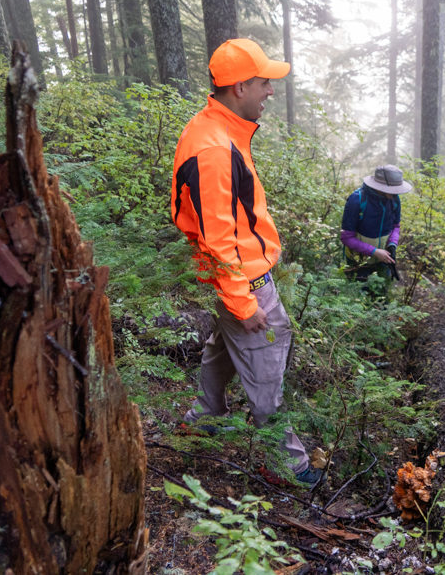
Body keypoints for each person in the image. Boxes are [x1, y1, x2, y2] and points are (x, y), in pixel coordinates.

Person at [171, 38, 321, 487]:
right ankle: (287, 466)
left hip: (239, 277)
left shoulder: (219, 129)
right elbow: (219, 240)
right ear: (238, 88)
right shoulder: (215, 149)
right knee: (267, 363)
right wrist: (243, 302)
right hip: (245, 281)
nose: (270, 91)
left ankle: (204, 415)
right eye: (263, 83)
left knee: (228, 347)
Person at [340, 164, 412, 285]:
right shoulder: (356, 200)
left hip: (383, 260)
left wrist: (392, 245)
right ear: (381, 187)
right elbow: (347, 238)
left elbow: (396, 226)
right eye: (392, 191)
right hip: (358, 262)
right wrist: (374, 252)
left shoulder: (394, 200)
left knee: (382, 297)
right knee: (359, 297)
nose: (395, 194)